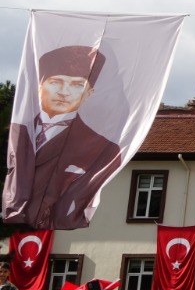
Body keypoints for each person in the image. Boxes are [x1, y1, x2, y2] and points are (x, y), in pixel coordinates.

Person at [3, 45, 122, 232]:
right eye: (55, 82)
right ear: (40, 86)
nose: (64, 92)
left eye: (77, 85)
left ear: (89, 94)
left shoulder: (102, 147)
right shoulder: (16, 132)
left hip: (51, 228)